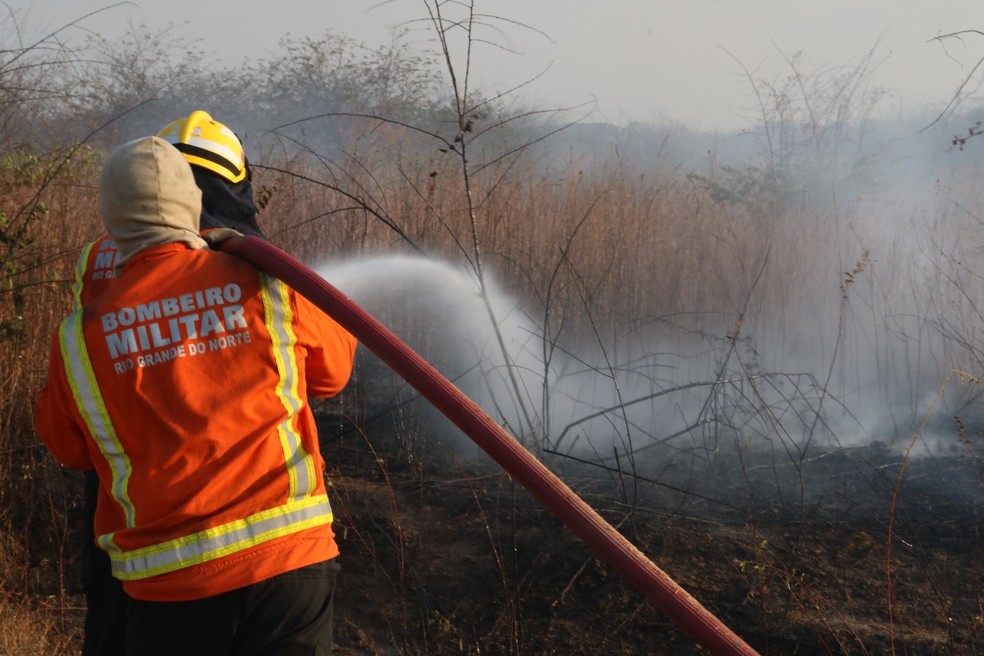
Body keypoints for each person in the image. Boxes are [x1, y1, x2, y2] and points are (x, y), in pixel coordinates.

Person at [35, 135, 357, 655]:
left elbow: (69, 450)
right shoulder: (264, 281)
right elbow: (333, 373)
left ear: (111, 221)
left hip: (172, 586)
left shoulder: (80, 336)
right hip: (289, 564)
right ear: (192, 205)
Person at [69, 110, 266, 656]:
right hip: (243, 523)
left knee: (113, 624)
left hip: (125, 507)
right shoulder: (250, 268)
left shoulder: (102, 256)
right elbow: (327, 373)